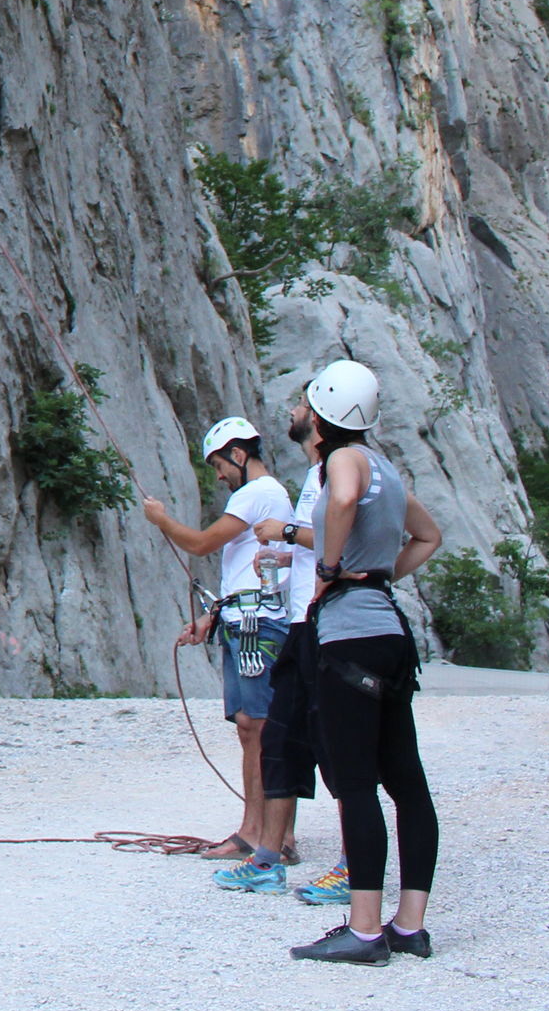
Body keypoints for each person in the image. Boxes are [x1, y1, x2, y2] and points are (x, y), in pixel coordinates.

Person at [285, 358, 445, 965]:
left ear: (322, 412)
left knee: (355, 784)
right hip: (389, 633)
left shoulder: (343, 460)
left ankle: (366, 929)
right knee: (407, 783)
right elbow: (428, 537)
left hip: (349, 638)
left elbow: (343, 495)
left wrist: (328, 572)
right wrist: (378, 578)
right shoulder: (389, 469)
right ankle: (409, 925)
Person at [141, 417, 299, 892]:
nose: (218, 476)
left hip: (256, 623)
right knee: (257, 728)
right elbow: (246, 572)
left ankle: (258, 833)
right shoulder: (268, 495)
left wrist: (162, 519)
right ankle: (278, 832)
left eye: (218, 465)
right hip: (248, 616)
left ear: (236, 453)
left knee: (257, 728)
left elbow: (203, 543)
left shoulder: (255, 494)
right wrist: (211, 618)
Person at [251, 435, 343, 906]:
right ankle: (269, 857)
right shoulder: (315, 474)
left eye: (303, 403)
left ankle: (353, 864)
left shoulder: (341, 468)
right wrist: (284, 555)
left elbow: (339, 541)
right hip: (299, 622)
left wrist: (284, 534)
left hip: (325, 623)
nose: (293, 411)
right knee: (281, 738)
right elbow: (316, 546)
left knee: (335, 743)